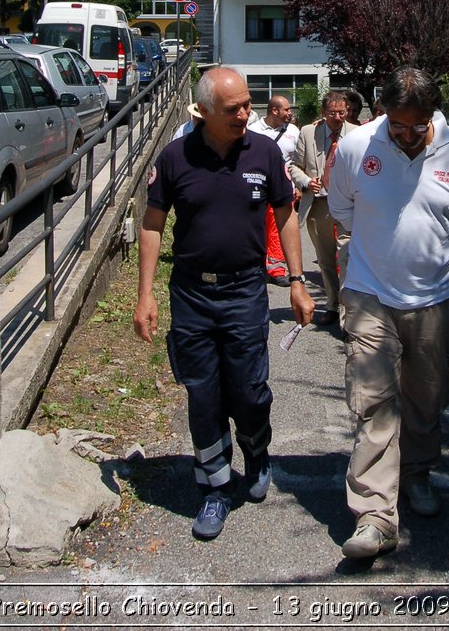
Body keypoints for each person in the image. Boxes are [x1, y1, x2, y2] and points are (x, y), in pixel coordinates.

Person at [133, 67, 315, 541]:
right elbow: (152, 225)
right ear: (205, 111)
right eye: (233, 108)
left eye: (247, 104)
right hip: (192, 293)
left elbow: (286, 214)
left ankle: (256, 454)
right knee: (203, 394)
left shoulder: (266, 152)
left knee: (250, 389)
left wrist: (296, 281)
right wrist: (145, 295)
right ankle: (215, 485)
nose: (245, 114)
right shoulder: (175, 157)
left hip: (244, 291)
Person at [327, 66, 449, 559]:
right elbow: (342, 210)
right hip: (370, 293)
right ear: (382, 112)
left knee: (426, 396)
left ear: (433, 114)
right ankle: (374, 514)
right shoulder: (355, 148)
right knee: (373, 401)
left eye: (419, 126)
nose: (409, 135)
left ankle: (416, 473)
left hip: (436, 297)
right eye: (398, 126)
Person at [290, 91, 354, 326]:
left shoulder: (357, 134)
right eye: (332, 113)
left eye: (342, 112)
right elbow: (294, 166)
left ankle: (348, 313)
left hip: (348, 205)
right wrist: (307, 182)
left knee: (346, 257)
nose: (338, 117)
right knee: (325, 260)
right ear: (323, 112)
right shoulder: (308, 132)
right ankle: (331, 304)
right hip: (318, 204)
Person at [248, 95, 300, 286]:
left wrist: (298, 185)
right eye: (286, 109)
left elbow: (299, 161)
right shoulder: (252, 130)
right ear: (274, 111)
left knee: (280, 228)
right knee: (257, 227)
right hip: (258, 188)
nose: (290, 113)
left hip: (285, 190)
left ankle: (277, 269)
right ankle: (257, 265)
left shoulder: (294, 131)